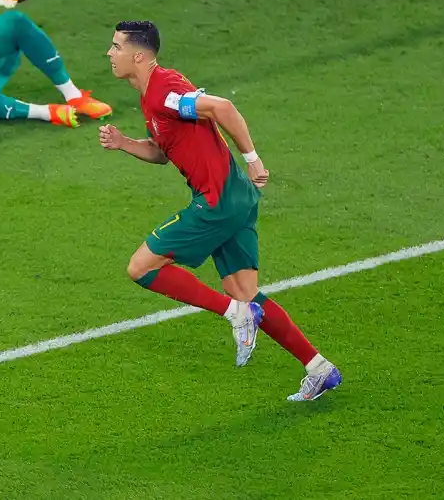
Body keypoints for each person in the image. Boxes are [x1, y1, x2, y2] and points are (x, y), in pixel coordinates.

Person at [99, 20, 341, 401]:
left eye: (116, 47)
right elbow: (163, 152)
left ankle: (234, 314)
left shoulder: (163, 92)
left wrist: (253, 158)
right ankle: (318, 368)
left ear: (139, 55)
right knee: (245, 291)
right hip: (236, 199)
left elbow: (221, 107)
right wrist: (123, 142)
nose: (110, 54)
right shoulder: (156, 91)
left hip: (217, 201)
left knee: (141, 267)